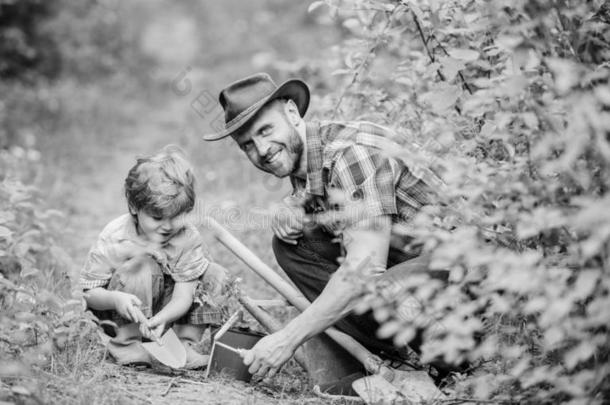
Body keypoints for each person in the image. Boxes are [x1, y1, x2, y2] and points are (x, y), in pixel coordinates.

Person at [203, 73, 446, 379]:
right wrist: (291, 206)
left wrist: (286, 339)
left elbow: (365, 268)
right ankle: (388, 357)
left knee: (379, 281)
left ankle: (461, 361)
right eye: (248, 145)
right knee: (294, 244)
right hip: (414, 258)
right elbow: (323, 197)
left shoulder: (352, 153)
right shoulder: (306, 158)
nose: (262, 150)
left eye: (266, 130)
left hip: (468, 266)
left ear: (292, 113)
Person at [80, 145, 228, 368]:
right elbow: (90, 295)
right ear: (134, 207)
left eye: (176, 217)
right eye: (157, 217)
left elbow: (183, 296)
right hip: (123, 314)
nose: (167, 226)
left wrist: (163, 318)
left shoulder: (186, 237)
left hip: (166, 316)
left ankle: (183, 346)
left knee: (213, 273)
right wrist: (115, 300)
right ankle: (127, 345)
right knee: (143, 266)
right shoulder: (116, 237)